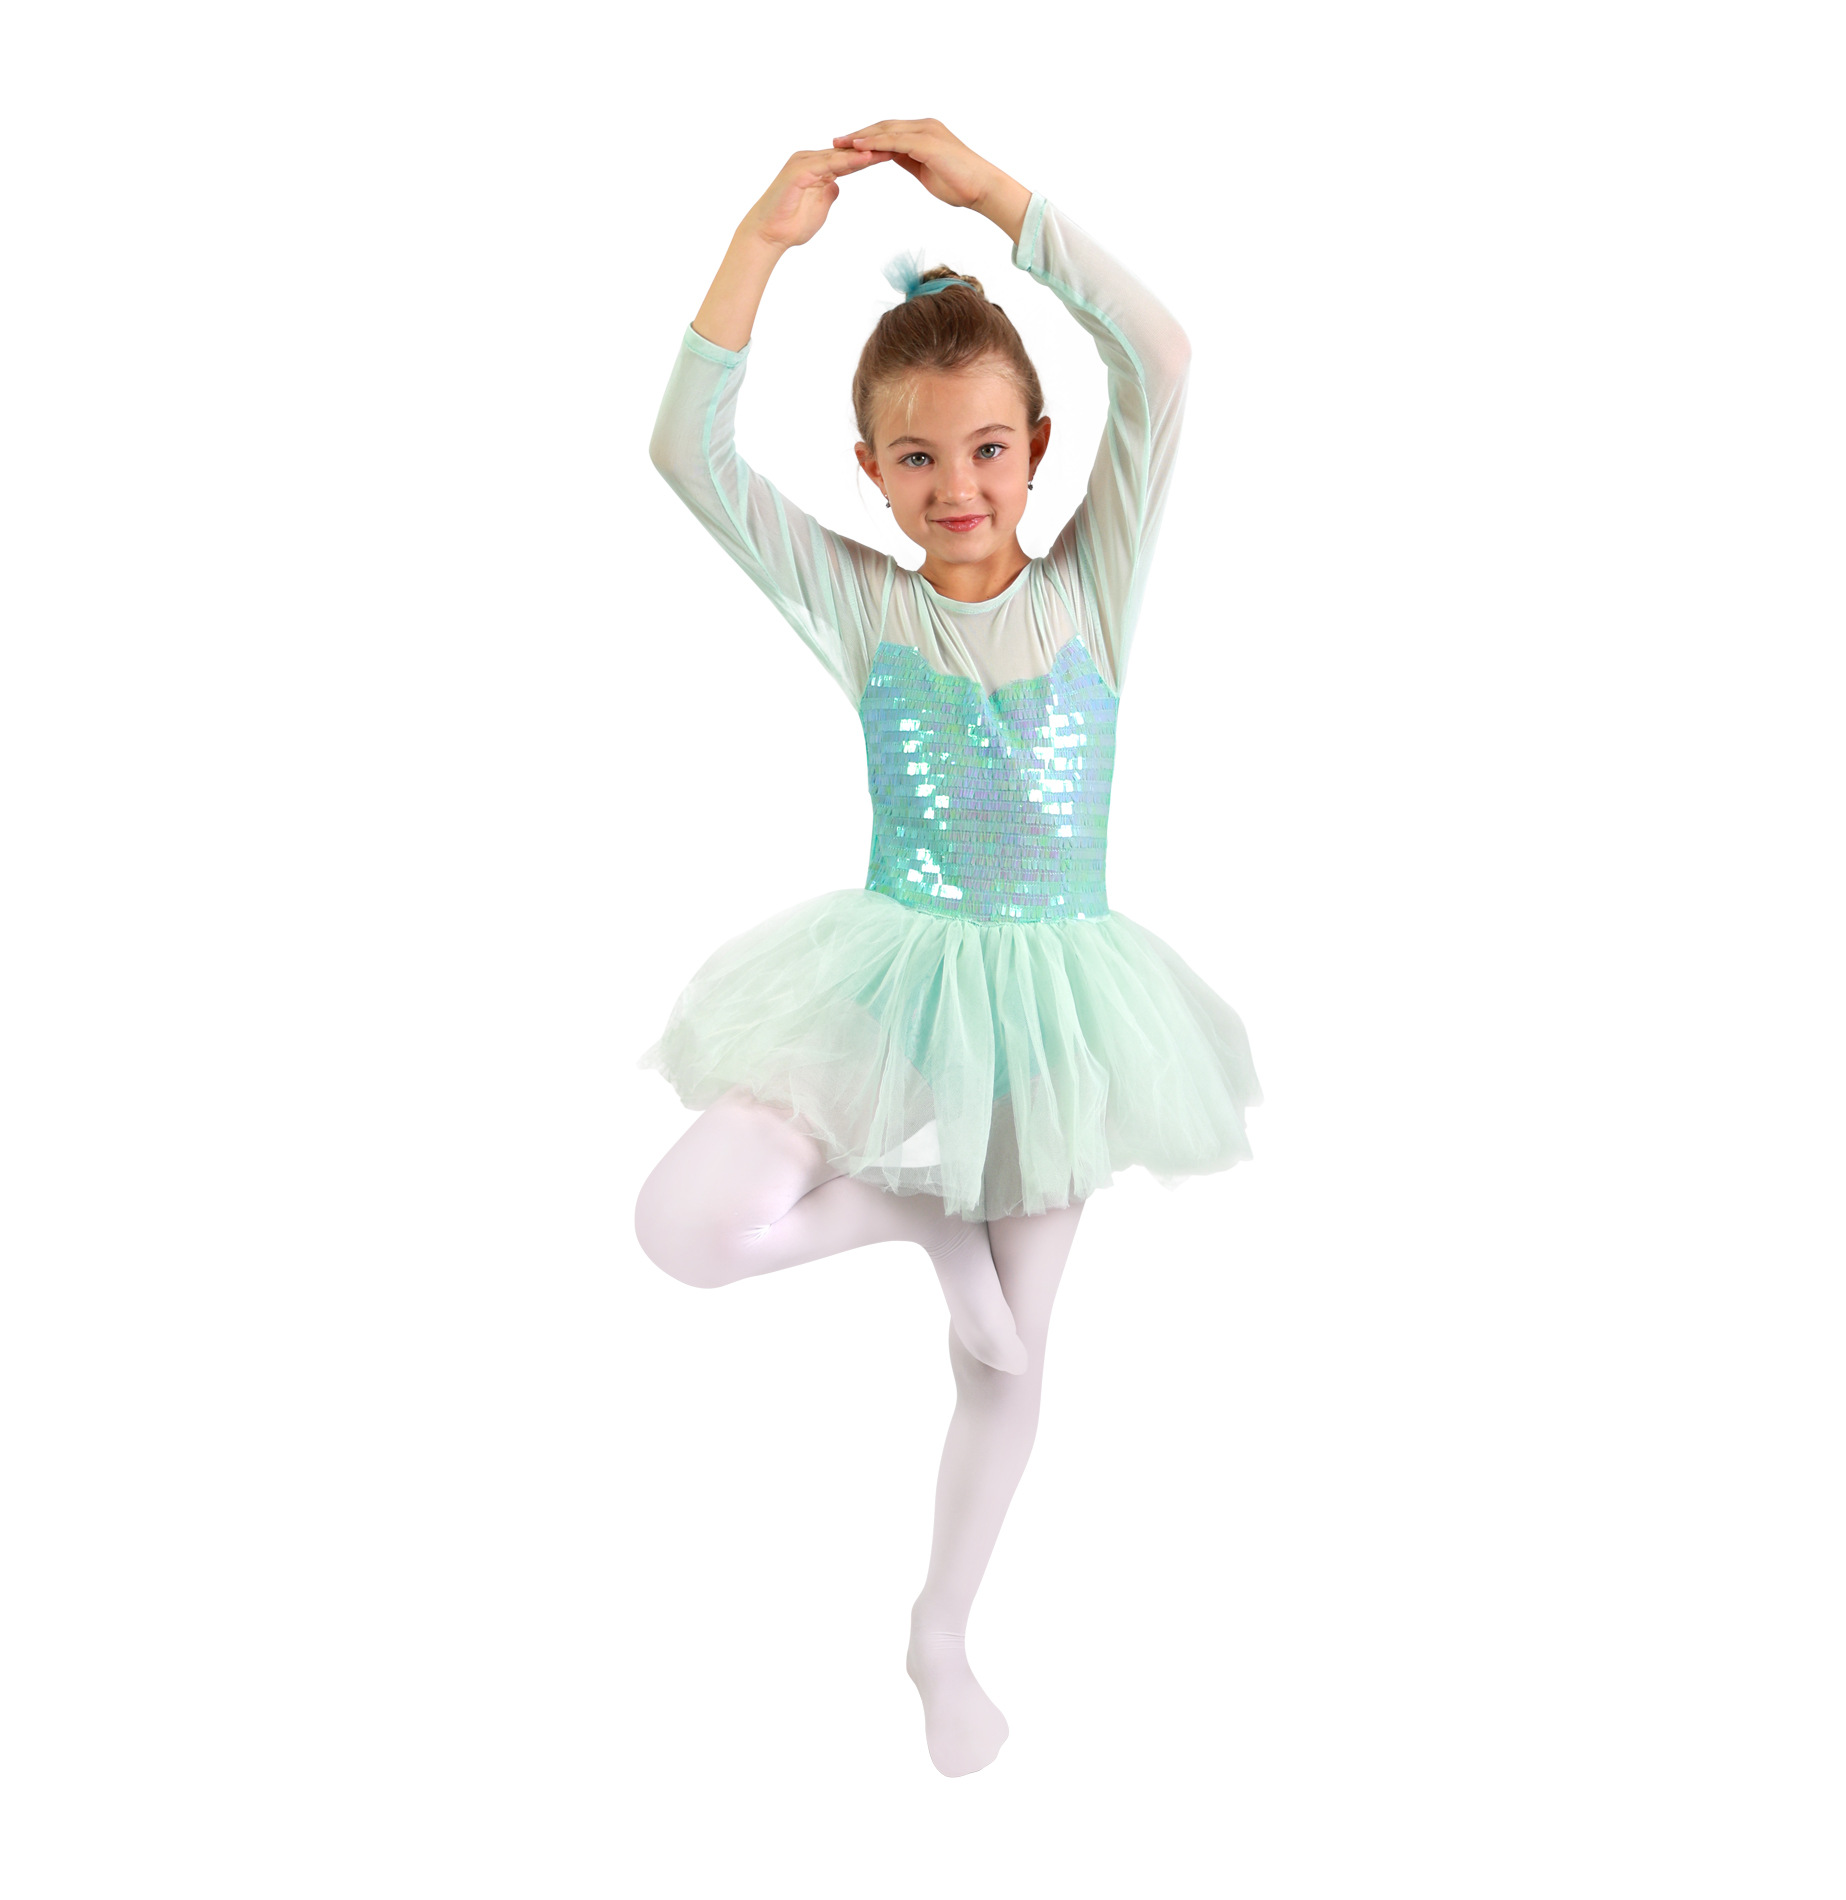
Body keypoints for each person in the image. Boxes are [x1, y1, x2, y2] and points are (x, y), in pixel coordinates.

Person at [634, 119, 1261, 1776]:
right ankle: (925, 1224)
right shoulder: (864, 604)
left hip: (1060, 1011)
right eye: (917, 460)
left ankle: (940, 1632)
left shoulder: (1094, 587)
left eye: (988, 450)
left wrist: (996, 196)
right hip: (890, 982)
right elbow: (687, 449)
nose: (958, 488)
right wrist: (760, 243)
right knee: (686, 1225)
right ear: (871, 473)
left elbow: (1165, 358)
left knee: (1009, 1359)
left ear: (1040, 449)